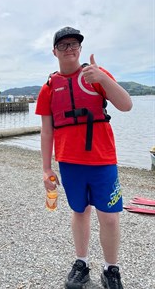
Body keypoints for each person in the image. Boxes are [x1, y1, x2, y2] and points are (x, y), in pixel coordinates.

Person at [35, 26, 132, 289]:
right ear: (54, 51)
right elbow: (47, 131)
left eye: (74, 44)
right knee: (79, 211)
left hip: (102, 160)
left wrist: (103, 78)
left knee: (110, 216)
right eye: (63, 45)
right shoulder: (48, 88)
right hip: (69, 162)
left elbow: (126, 104)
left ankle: (111, 269)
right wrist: (46, 169)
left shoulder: (94, 76)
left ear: (80, 48)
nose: (70, 49)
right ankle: (81, 263)